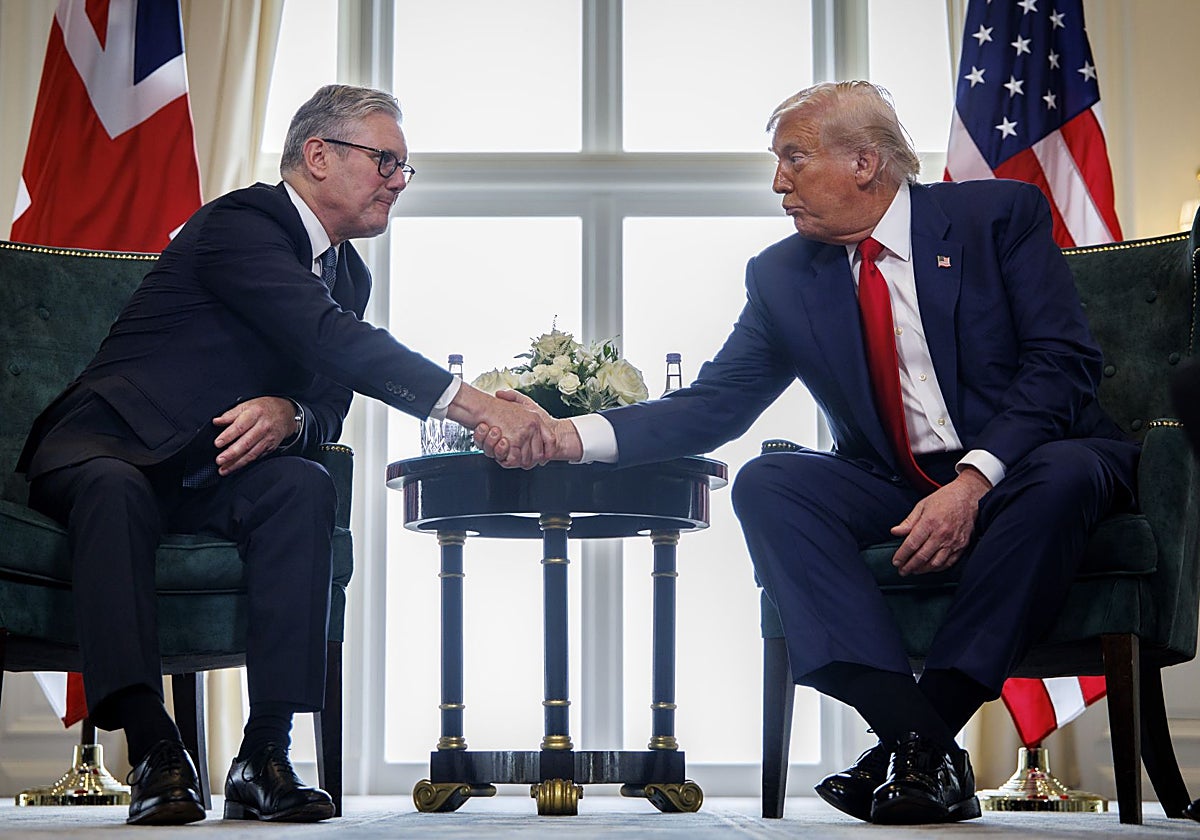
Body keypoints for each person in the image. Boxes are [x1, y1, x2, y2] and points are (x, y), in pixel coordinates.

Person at [477, 81, 1139, 825]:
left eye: (794, 158)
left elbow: (1061, 365)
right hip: (896, 482)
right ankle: (919, 742)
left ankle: (913, 746)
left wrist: (973, 480)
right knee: (770, 483)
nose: (778, 182)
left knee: (1062, 475)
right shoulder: (783, 277)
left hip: (1029, 464)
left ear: (864, 163)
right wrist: (567, 435)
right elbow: (714, 405)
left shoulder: (998, 217)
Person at [16, 84, 550, 826]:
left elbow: (328, 400)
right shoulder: (241, 223)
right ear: (318, 155)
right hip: (109, 445)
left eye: (404, 166)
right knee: (115, 490)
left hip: (210, 469)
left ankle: (264, 754)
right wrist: (480, 407)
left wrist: (290, 412)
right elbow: (328, 338)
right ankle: (153, 748)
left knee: (302, 486)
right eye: (385, 160)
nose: (399, 180)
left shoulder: (349, 274)